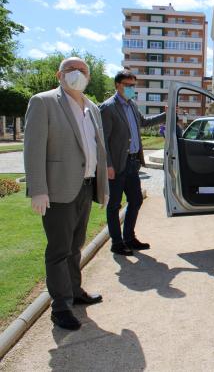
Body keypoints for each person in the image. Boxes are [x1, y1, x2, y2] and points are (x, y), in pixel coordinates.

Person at [23, 57, 109, 330]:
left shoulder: (93, 108)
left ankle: (74, 292)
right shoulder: (43, 102)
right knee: (59, 250)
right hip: (58, 190)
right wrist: (38, 189)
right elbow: (33, 148)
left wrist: (101, 189)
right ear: (59, 74)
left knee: (75, 247)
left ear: (89, 77)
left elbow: (97, 150)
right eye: (71, 70)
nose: (77, 74)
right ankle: (60, 307)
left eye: (82, 70)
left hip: (85, 187)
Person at [99, 70, 166, 256]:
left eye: (133, 86)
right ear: (117, 85)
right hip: (117, 164)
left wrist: (164, 115)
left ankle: (129, 238)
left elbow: (143, 122)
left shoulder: (132, 105)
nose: (131, 89)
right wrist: (108, 165)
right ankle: (117, 243)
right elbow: (102, 140)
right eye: (127, 85)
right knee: (114, 205)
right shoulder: (108, 108)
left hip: (133, 163)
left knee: (135, 200)